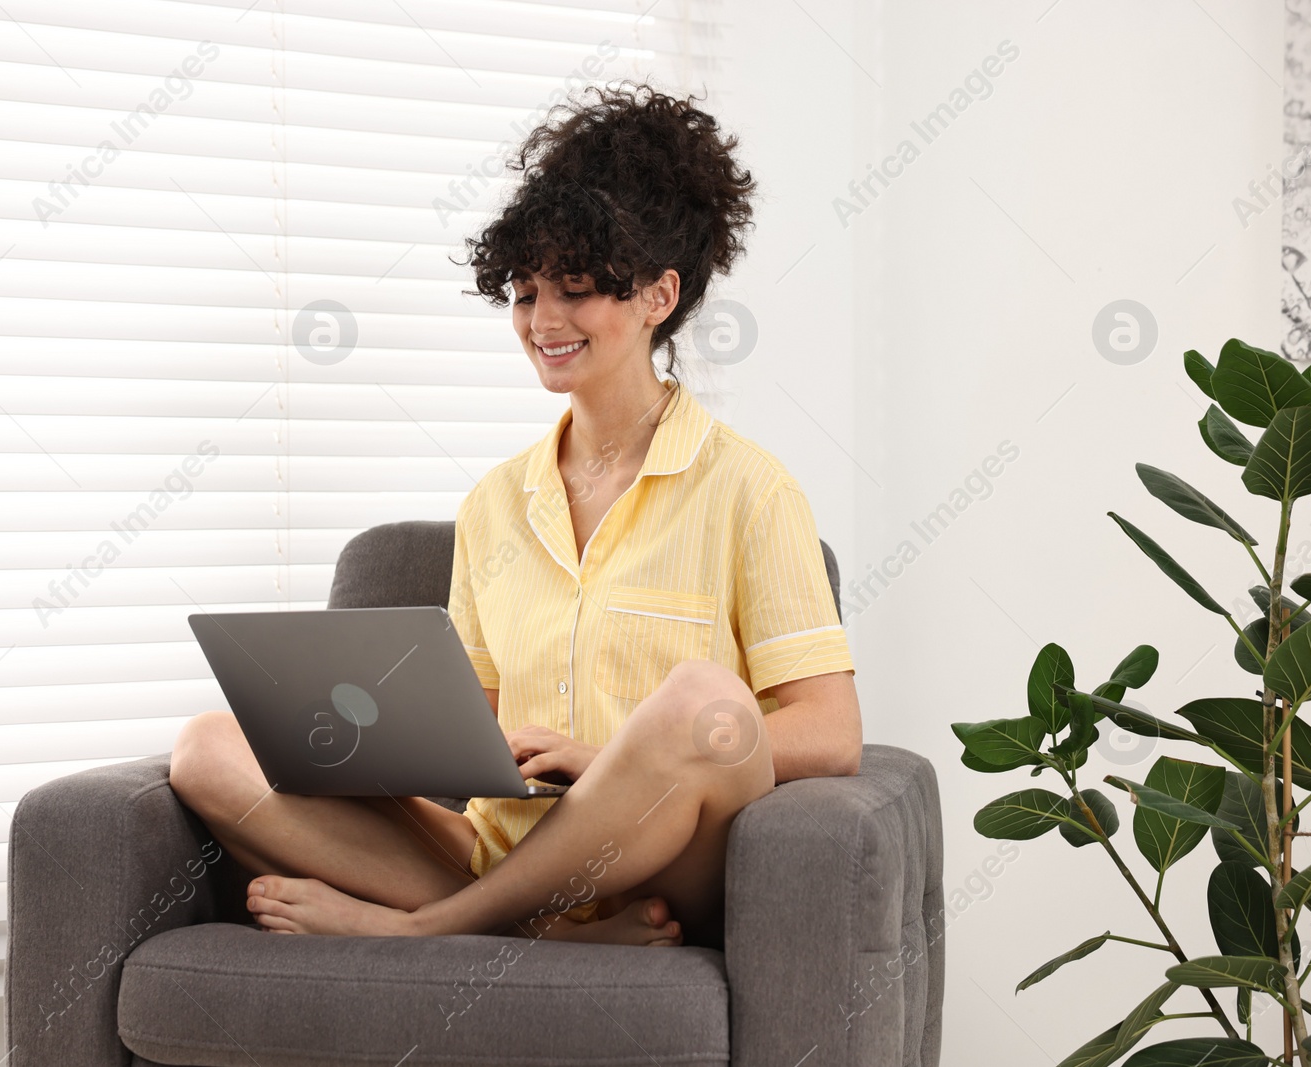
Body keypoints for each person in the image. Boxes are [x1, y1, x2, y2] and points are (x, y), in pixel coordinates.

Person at [168, 81, 861, 950]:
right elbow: (475, 745)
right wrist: (355, 736)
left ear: (658, 296)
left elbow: (831, 735)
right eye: (527, 292)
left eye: (577, 290)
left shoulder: (751, 490)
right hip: (506, 856)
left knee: (703, 702)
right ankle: (539, 934)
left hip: (660, 867)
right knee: (207, 746)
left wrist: (619, 759)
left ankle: (430, 928)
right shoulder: (496, 504)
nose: (545, 320)